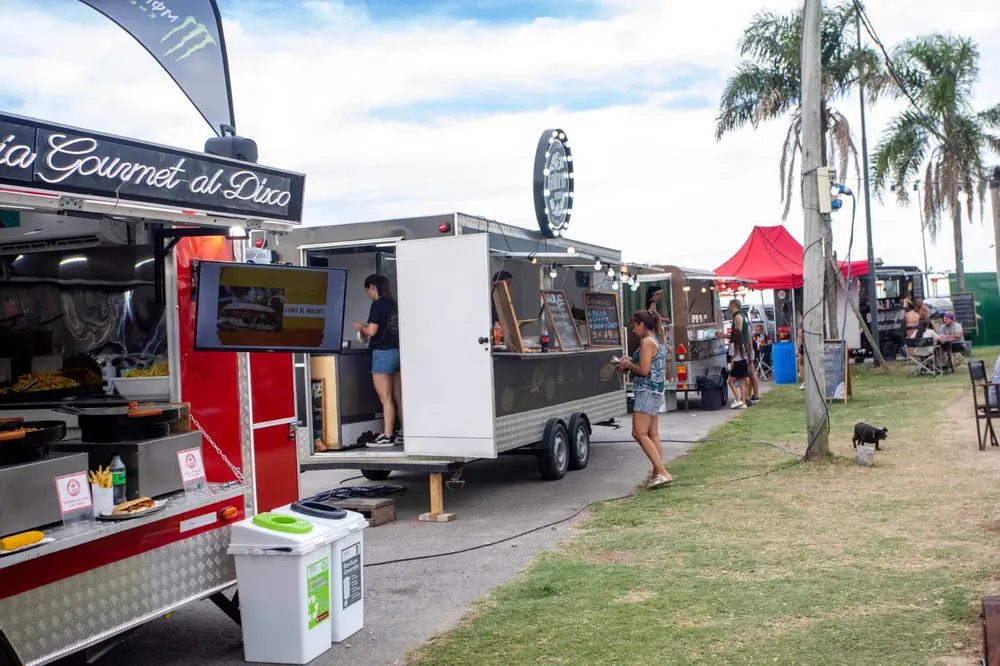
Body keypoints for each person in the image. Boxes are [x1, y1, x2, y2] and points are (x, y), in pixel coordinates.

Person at [616, 310, 672, 489]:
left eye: (634, 325)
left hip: (646, 390)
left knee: (638, 432)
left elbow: (644, 370)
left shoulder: (646, 341)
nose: (633, 329)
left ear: (641, 324)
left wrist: (628, 365)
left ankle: (662, 471)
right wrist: (631, 360)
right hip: (656, 390)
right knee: (652, 434)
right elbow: (649, 363)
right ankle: (657, 473)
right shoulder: (655, 339)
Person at [353, 274, 402, 447]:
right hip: (397, 352)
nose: (367, 294)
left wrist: (361, 327)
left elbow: (372, 331)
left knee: (385, 397)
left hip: (382, 354)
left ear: (373, 287)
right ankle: (403, 432)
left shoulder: (378, 305)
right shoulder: (392, 304)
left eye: (367, 290)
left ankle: (387, 435)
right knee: (398, 396)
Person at [726, 299, 759, 404]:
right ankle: (750, 397)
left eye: (729, 305)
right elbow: (749, 333)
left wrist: (723, 335)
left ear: (733, 305)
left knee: (744, 376)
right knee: (749, 374)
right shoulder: (744, 316)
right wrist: (750, 348)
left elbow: (738, 334)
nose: (728, 307)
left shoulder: (738, 317)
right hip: (746, 348)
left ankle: (745, 398)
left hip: (741, 349)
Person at [728, 327, 750, 409]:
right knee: (742, 383)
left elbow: (732, 358)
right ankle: (744, 402)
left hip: (737, 364)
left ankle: (738, 399)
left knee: (730, 382)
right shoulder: (743, 344)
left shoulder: (732, 345)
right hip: (744, 363)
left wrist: (731, 369)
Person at [796, 311, 805, 390]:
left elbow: (800, 337)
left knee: (801, 364)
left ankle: (806, 382)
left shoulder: (802, 323)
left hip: (805, 346)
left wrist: (797, 349)